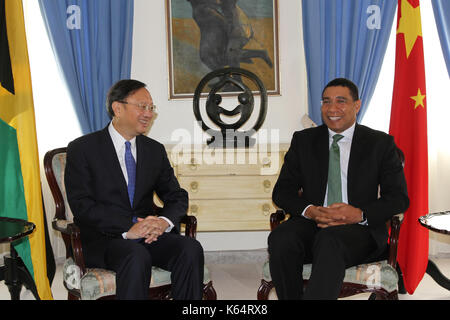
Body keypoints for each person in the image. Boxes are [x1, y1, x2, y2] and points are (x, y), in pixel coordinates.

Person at [268, 78, 409, 300]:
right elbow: (282, 191)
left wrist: (360, 214)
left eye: (341, 101)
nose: (332, 108)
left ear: (357, 105)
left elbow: (399, 198)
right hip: (313, 223)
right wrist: (311, 210)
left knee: (330, 240)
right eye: (326, 101)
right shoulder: (304, 141)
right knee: (281, 239)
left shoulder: (380, 144)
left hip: (361, 231)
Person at [64, 79, 204, 300]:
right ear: (117, 108)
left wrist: (163, 222)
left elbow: (176, 196)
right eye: (142, 106)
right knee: (135, 255)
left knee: (190, 248)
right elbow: (82, 206)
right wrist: (129, 227)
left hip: (148, 235)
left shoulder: (154, 151)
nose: (148, 114)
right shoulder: (83, 149)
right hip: (103, 239)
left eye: (151, 108)